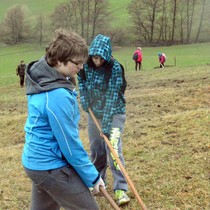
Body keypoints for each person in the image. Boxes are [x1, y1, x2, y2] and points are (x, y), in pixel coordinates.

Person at [21, 28, 105, 210]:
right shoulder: (56, 96)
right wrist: (93, 176)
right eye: (77, 63)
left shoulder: (41, 78)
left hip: (35, 162)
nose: (81, 67)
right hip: (49, 166)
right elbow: (69, 144)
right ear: (59, 60)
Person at [78, 34, 130, 206]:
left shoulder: (114, 68)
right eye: (94, 57)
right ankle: (99, 183)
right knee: (97, 149)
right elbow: (82, 82)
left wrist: (106, 126)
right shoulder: (86, 65)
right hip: (94, 113)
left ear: (106, 56)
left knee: (113, 148)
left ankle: (121, 189)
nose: (97, 61)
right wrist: (85, 101)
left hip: (114, 112)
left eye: (100, 58)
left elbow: (113, 96)